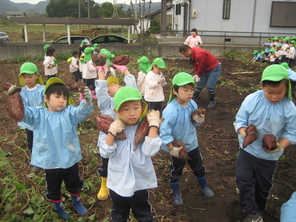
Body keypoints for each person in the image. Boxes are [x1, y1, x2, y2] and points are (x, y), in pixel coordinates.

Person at [5, 77, 93, 219]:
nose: (61, 101)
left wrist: (87, 99)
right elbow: (22, 114)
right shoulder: (38, 115)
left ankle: (76, 202)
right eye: (57, 97)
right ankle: (58, 207)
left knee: (74, 182)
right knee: (53, 187)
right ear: (46, 98)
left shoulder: (69, 113)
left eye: (64, 98)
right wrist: (15, 97)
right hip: (51, 161)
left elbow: (82, 112)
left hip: (69, 158)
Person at [233, 64, 296, 222]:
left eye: (279, 93)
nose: (274, 97)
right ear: (261, 86)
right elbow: (240, 121)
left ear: (286, 88)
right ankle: (252, 213)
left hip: (268, 157)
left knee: (263, 186)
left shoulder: (289, 107)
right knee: (243, 179)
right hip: (248, 151)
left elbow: (292, 132)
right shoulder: (251, 100)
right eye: (270, 93)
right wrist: (244, 132)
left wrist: (280, 146)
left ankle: (259, 208)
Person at [98, 86, 162, 221]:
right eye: (126, 109)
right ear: (117, 111)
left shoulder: (143, 129)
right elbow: (105, 152)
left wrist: (154, 125)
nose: (132, 113)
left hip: (139, 182)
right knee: (119, 215)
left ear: (142, 107)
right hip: (118, 182)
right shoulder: (115, 128)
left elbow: (150, 151)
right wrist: (111, 132)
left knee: (143, 214)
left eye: (136, 108)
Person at [159, 72, 214, 206]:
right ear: (175, 91)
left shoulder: (192, 104)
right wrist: (172, 148)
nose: (190, 93)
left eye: (191, 89)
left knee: (199, 167)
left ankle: (204, 186)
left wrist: (199, 120)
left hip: (192, 144)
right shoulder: (171, 111)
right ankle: (176, 193)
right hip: (178, 148)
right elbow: (164, 132)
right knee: (176, 170)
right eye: (185, 90)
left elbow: (194, 123)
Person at [94, 58, 137, 201]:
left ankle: (126, 181)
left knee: (125, 161)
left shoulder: (124, 102)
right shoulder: (106, 104)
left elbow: (132, 90)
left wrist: (125, 71)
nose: (115, 86)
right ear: (107, 91)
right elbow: (100, 92)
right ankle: (104, 184)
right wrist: (101, 72)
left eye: (116, 84)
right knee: (106, 162)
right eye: (110, 85)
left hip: (125, 139)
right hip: (109, 139)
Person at [18, 62, 45, 173]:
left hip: (41, 121)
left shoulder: (42, 89)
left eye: (30, 76)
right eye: (25, 77)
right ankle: (35, 161)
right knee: (31, 141)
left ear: (36, 76)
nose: (27, 79)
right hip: (29, 123)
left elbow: (45, 104)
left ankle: (44, 160)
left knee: (42, 140)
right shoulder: (22, 91)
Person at [179, 44, 221, 108]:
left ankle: (212, 100)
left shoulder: (200, 54)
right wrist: (196, 74)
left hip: (214, 68)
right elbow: (196, 65)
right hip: (206, 69)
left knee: (209, 86)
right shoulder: (193, 54)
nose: (184, 56)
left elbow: (201, 67)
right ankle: (193, 98)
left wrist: (199, 75)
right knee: (200, 84)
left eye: (184, 54)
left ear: (187, 51)